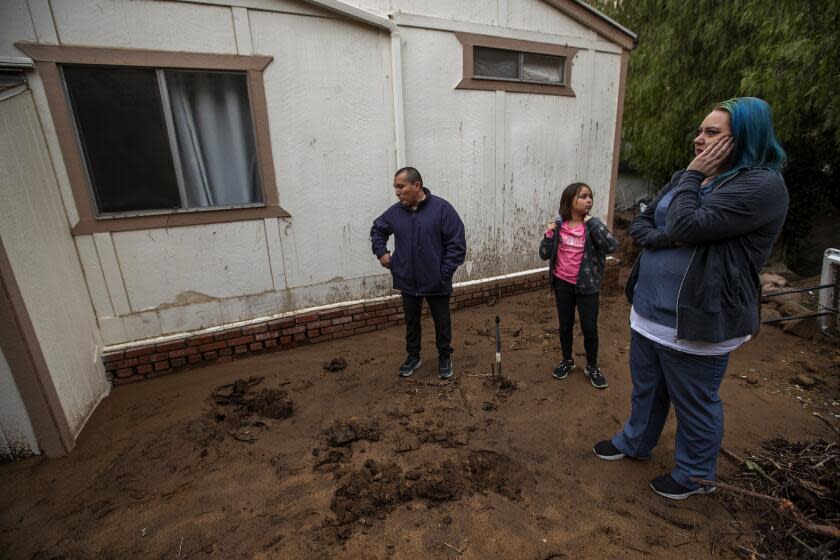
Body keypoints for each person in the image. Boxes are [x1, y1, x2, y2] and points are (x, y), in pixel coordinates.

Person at [593, 97, 789, 499]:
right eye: (700, 131)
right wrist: (677, 231)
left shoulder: (761, 185)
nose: (699, 140)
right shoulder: (690, 176)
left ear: (745, 138)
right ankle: (635, 442)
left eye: (712, 133)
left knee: (695, 402)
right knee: (646, 389)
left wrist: (690, 183)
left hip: (698, 320)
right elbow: (644, 225)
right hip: (650, 312)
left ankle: (695, 475)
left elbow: (685, 220)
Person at [370, 167, 466, 379]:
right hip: (407, 280)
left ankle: (444, 356)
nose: (397, 192)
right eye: (395, 187)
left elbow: (456, 243)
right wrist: (381, 252)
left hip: (436, 281)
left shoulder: (441, 209)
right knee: (411, 322)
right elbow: (377, 229)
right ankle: (413, 356)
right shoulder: (395, 213)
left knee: (442, 322)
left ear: (416, 186)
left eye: (401, 186)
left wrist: (444, 273)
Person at [539, 183, 618, 389]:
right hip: (562, 284)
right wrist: (548, 234)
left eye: (590, 196)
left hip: (587, 286)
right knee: (565, 325)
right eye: (583, 196)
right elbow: (544, 254)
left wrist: (594, 224)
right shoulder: (558, 225)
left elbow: (612, 246)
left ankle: (592, 366)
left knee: (589, 328)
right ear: (569, 200)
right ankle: (567, 360)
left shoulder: (593, 226)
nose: (588, 200)